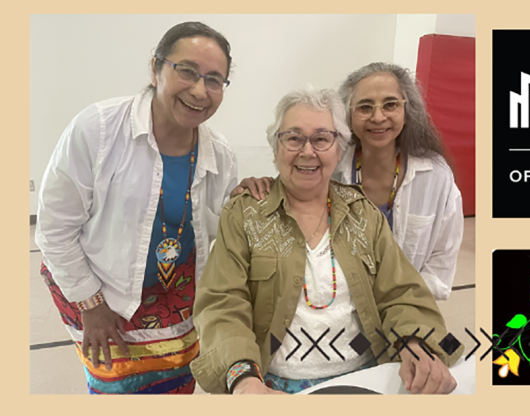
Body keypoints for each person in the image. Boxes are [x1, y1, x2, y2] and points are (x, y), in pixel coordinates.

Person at [190, 87, 463, 395]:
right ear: (275, 147)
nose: (307, 151)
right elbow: (222, 304)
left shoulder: (363, 214)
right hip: (272, 385)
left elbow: (401, 293)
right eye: (293, 138)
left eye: (321, 139)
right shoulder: (244, 215)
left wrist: (415, 343)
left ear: (339, 148)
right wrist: (243, 379)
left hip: (364, 377)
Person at [35, 21, 256, 394]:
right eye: (187, 71)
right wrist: (92, 307)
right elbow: (55, 230)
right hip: (99, 290)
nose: (200, 91)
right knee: (116, 388)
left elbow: (221, 222)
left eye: (215, 80)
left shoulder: (220, 153)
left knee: (177, 383)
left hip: (176, 297)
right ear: (155, 68)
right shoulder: (98, 130)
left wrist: (246, 196)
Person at [231, 62, 464, 301]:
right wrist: (260, 186)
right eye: (364, 107)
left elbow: (440, 266)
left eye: (390, 104)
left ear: (407, 111)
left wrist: (399, 304)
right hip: (342, 308)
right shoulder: (329, 168)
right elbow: (291, 192)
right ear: (348, 116)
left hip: (410, 306)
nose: (378, 117)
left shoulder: (436, 176)